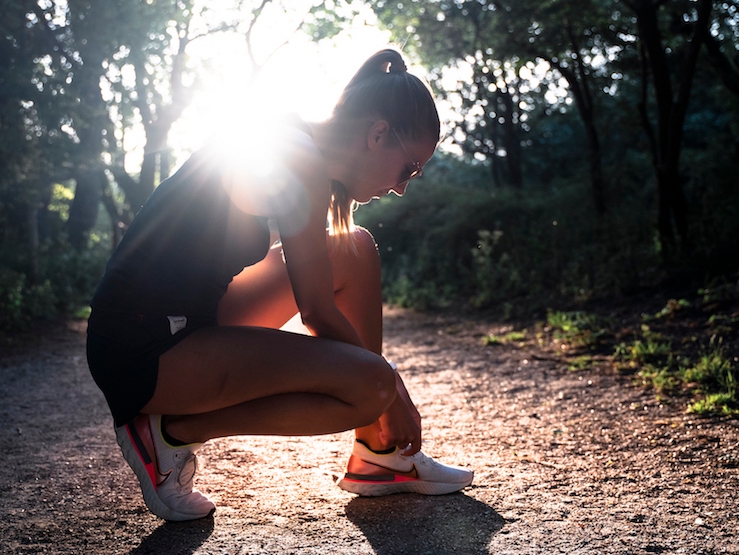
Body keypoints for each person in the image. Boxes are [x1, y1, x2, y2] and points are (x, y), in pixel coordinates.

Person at [85, 48, 472, 522]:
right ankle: (169, 431)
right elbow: (318, 314)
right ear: (377, 135)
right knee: (371, 385)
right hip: (142, 351)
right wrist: (393, 390)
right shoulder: (295, 156)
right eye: (409, 169)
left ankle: (380, 455)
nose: (401, 187)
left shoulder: (295, 139)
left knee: (354, 248)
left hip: (182, 320)